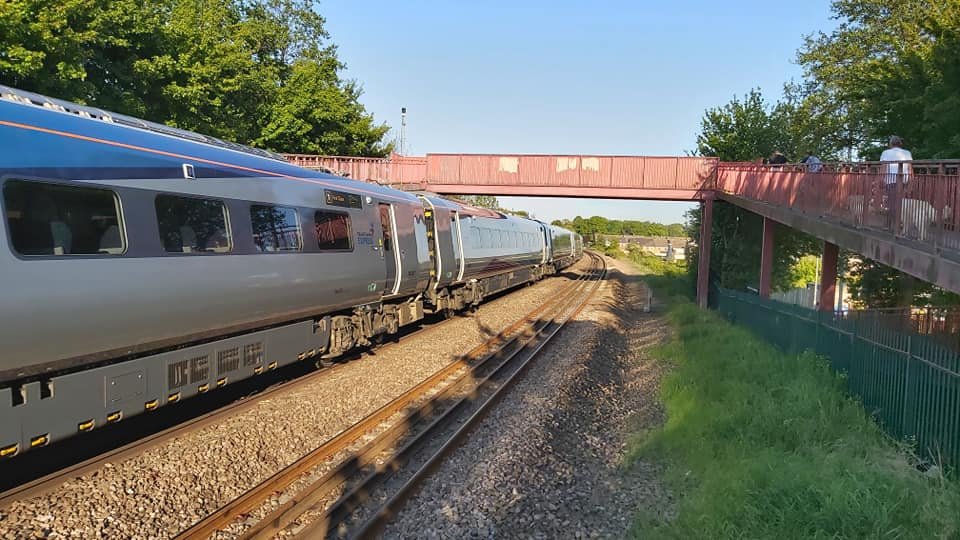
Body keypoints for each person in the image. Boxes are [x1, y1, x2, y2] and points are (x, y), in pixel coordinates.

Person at [879, 135, 912, 214]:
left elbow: (884, 167)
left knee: (891, 202)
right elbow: (910, 169)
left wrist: (881, 180)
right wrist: (910, 182)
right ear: (900, 143)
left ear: (891, 143)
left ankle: (891, 222)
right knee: (901, 201)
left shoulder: (885, 153)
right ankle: (898, 220)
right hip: (904, 180)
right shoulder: (907, 153)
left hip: (891, 180)